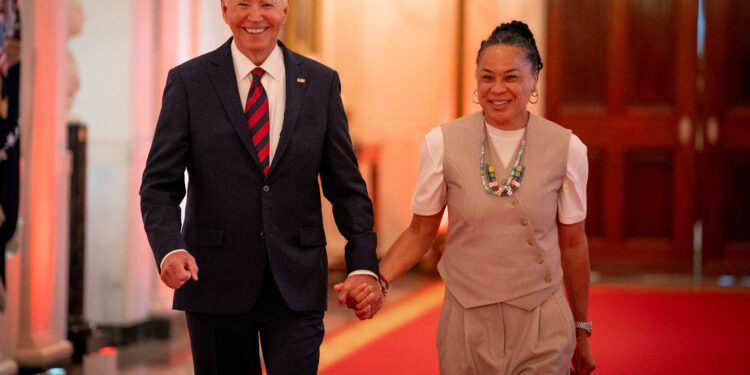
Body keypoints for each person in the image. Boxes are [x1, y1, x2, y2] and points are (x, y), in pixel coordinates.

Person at [139, 1, 383, 373]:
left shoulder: (320, 82)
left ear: (285, 9)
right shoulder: (189, 82)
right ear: (224, 9)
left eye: (267, 4)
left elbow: (346, 186)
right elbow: (159, 185)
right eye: (242, 4)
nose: (255, 16)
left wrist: (363, 265)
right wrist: (170, 249)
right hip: (214, 281)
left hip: (296, 281)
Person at [343, 20, 596, 374]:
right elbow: (420, 231)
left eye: (511, 77)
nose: (497, 89)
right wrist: (377, 281)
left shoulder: (567, 148)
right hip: (465, 324)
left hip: (542, 323)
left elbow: (572, 243)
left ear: (534, 78)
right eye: (487, 77)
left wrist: (581, 329)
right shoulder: (442, 143)